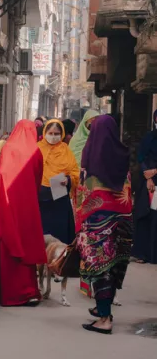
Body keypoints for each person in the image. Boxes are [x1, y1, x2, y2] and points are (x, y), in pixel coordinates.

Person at [76, 115, 133, 334]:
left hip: (97, 224)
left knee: (101, 269)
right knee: (114, 267)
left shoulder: (92, 160)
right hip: (123, 222)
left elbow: (84, 196)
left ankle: (105, 319)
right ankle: (102, 309)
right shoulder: (122, 156)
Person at [0, 120, 47, 306]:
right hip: (27, 207)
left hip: (7, 205)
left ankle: (4, 292)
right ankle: (27, 291)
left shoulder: (8, 148)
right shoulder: (35, 151)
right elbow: (37, 179)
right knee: (26, 245)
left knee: (7, 244)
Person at [38, 119, 80, 245]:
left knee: (61, 238)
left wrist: (68, 179)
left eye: (56, 134)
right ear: (44, 133)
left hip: (60, 200)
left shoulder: (66, 150)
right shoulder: (37, 149)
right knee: (42, 237)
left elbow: (75, 172)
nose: (53, 136)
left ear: (62, 134)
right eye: (50, 133)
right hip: (41, 200)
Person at [133, 109, 157, 264]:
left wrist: (154, 172)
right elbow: (141, 157)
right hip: (147, 182)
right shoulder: (149, 137)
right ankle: (143, 253)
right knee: (144, 215)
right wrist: (148, 176)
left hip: (153, 176)